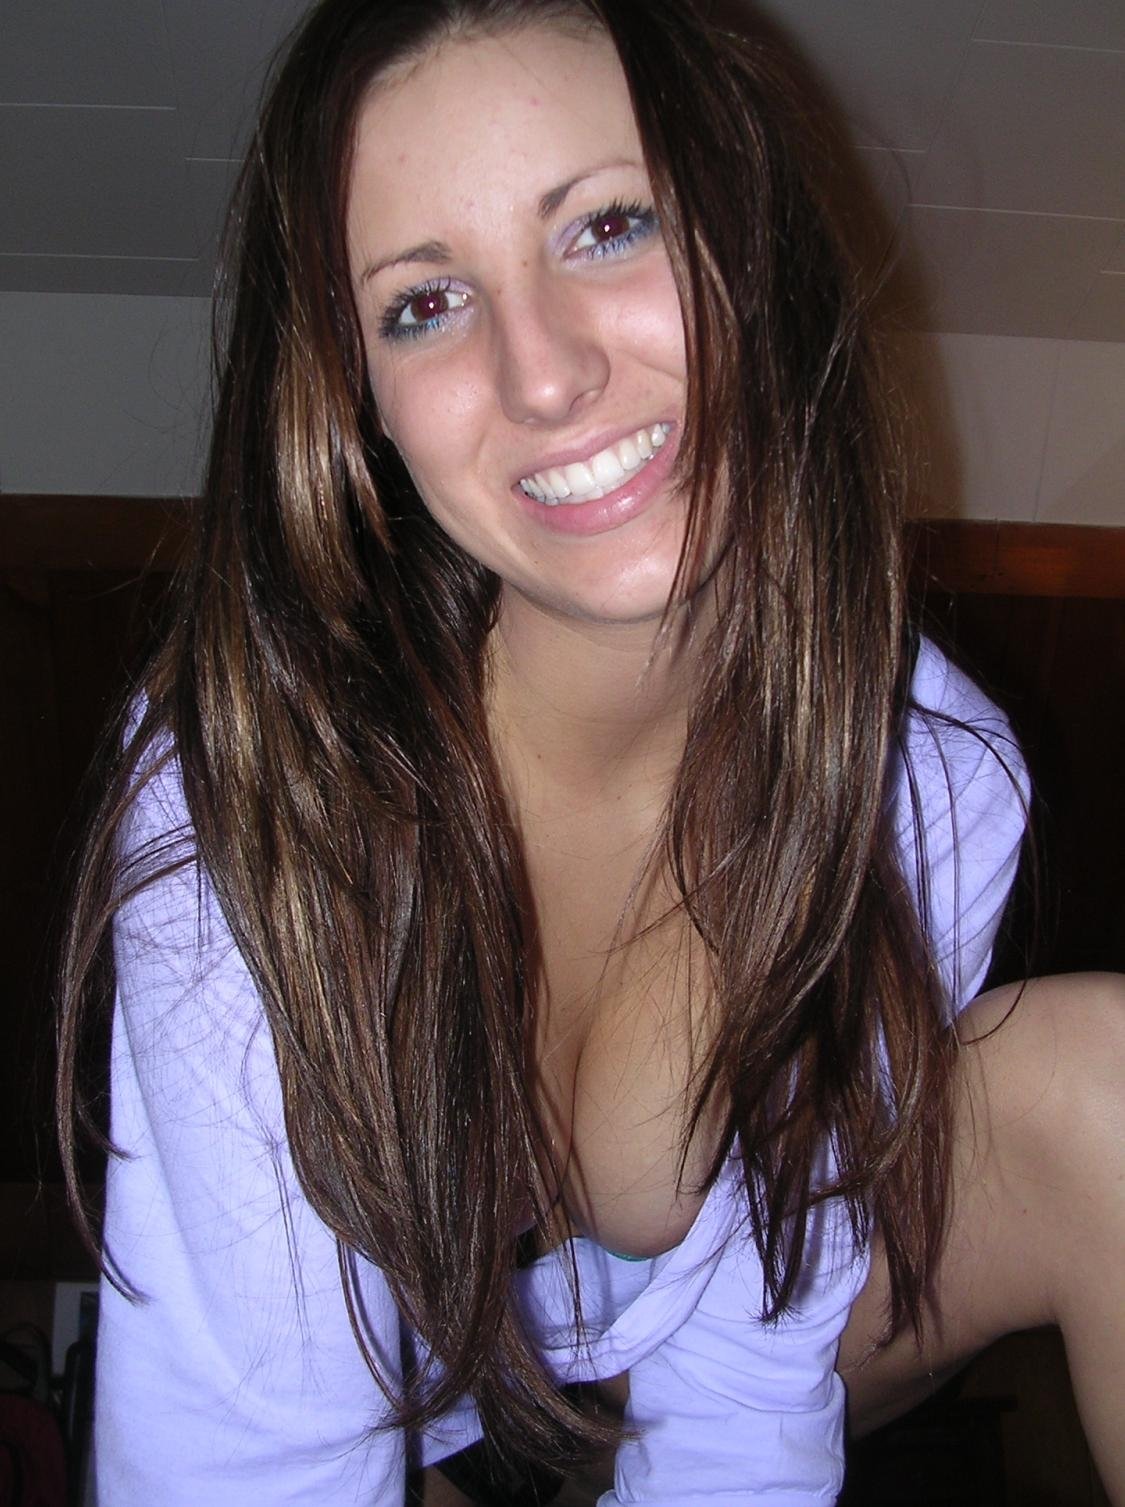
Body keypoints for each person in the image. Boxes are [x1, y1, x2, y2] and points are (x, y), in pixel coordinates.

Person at [57, 0, 1125, 1502]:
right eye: (424, 304)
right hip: (393, 1420)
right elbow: (253, 1456)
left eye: (609, 226)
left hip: (714, 1355)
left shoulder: (928, 779)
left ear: (744, 241)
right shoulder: (256, 779)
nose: (544, 373)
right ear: (360, 402)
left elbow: (750, 1367)